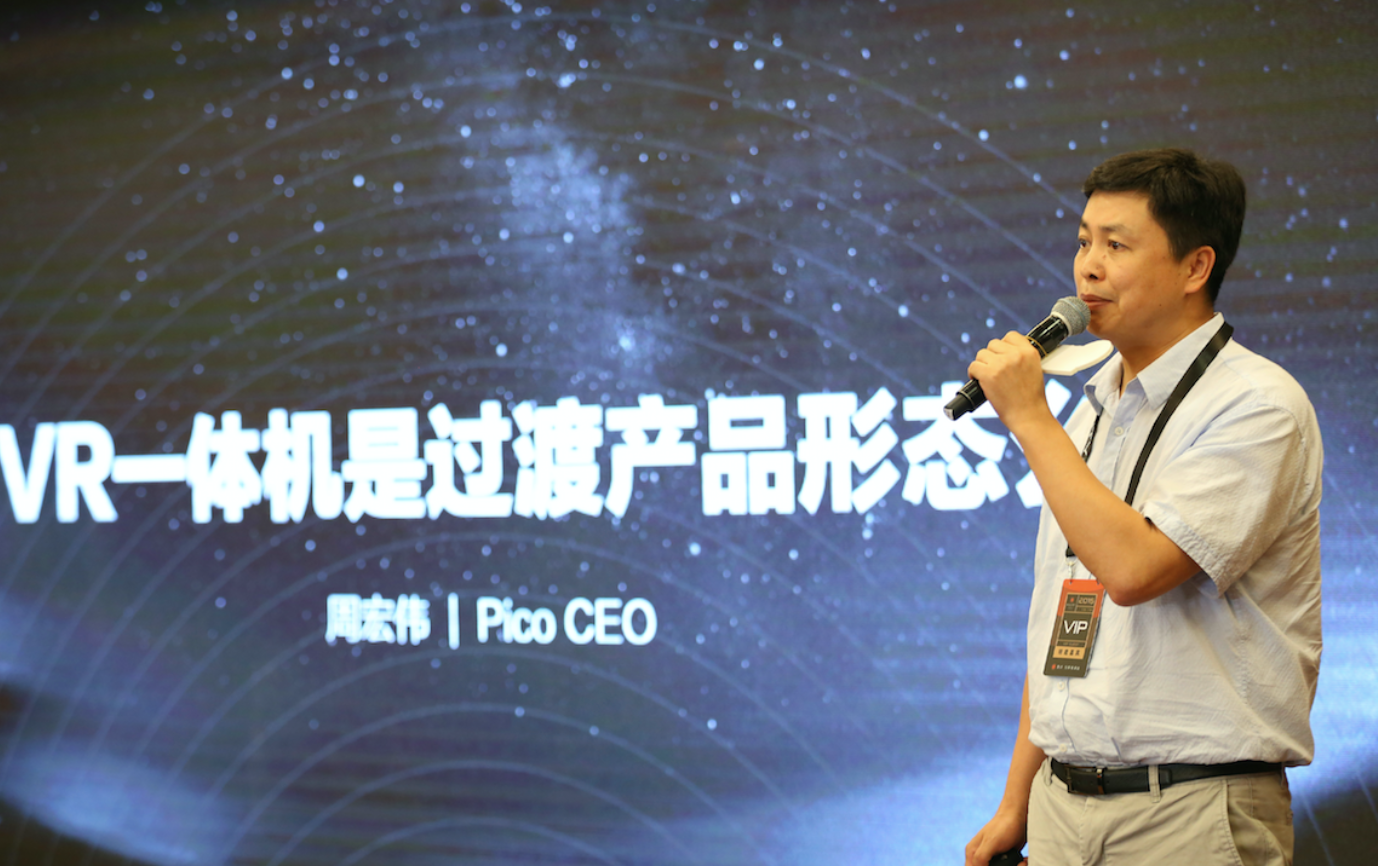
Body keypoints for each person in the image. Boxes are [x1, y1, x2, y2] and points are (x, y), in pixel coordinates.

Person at [963, 148, 1322, 866]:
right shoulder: (1096, 409)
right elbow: (1068, 616)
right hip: (1063, 806)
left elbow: (1132, 571)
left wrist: (1029, 418)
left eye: (1116, 246)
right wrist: (1018, 803)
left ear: (1195, 267)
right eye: (1083, 242)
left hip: (1189, 809)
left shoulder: (1256, 404)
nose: (1088, 268)